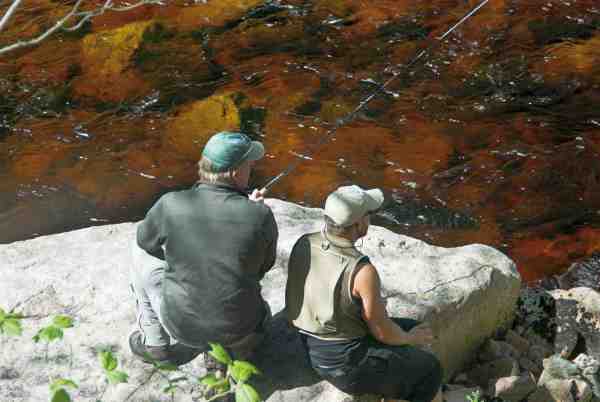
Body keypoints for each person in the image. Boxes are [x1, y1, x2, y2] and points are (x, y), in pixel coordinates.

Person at [129, 131, 278, 365]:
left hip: (183, 327)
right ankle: (226, 354)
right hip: (241, 329)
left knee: (139, 252)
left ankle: (155, 342)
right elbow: (264, 266)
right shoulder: (260, 215)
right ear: (235, 172)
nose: (252, 169)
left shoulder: (170, 204)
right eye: (249, 165)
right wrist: (250, 211)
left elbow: (145, 241)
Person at [285, 185, 443, 402]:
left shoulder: (304, 242)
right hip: (343, 364)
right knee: (430, 370)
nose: (370, 219)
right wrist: (409, 338)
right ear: (359, 223)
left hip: (309, 343)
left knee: (412, 325)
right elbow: (382, 332)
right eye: (369, 214)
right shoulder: (362, 271)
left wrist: (407, 333)